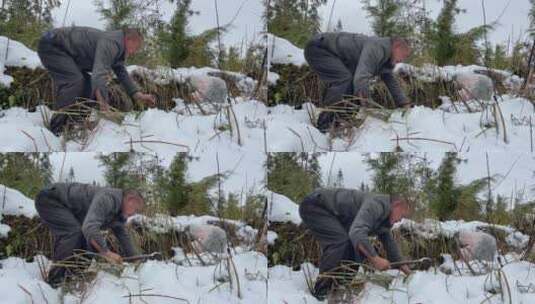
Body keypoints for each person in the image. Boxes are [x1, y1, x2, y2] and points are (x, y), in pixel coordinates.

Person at [37, 26, 157, 135]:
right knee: (75, 81)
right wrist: (104, 107)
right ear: (129, 40)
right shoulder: (112, 43)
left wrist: (138, 95)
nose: (135, 52)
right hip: (53, 45)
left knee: (88, 85)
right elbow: (99, 75)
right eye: (136, 48)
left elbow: (121, 72)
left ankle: (75, 124)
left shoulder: (118, 48)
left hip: (66, 53)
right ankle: (56, 129)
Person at [298, 188, 412, 300]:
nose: (400, 220)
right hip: (315, 205)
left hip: (331, 214)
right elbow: (356, 232)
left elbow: (389, 243)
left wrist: (406, 269)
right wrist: (375, 259)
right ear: (396, 205)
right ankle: (322, 289)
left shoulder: (384, 220)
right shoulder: (376, 205)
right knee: (340, 241)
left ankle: (340, 285)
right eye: (402, 215)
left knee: (355, 247)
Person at [34, 183, 144, 287]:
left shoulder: (119, 213)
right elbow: (90, 227)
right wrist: (106, 253)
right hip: (50, 199)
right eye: (136, 209)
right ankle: (55, 281)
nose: (135, 214)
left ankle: (74, 275)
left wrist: (135, 258)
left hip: (66, 208)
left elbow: (122, 235)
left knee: (85, 237)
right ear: (130, 200)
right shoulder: (108, 198)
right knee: (73, 232)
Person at [304, 32, 413, 132]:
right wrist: (369, 108)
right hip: (318, 48)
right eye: (404, 55)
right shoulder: (377, 47)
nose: (403, 60)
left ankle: (341, 121)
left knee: (351, 82)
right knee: (345, 79)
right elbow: (361, 78)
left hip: (331, 54)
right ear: (397, 46)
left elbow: (390, 80)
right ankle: (325, 124)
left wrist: (404, 103)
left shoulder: (386, 59)